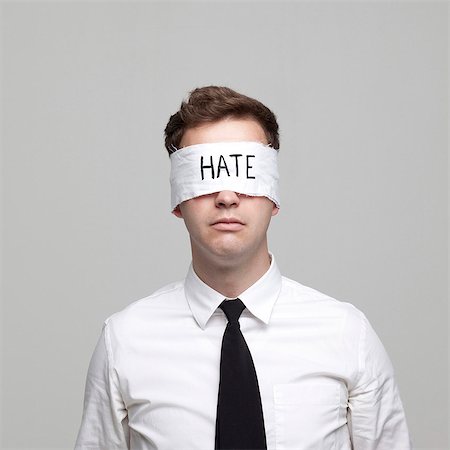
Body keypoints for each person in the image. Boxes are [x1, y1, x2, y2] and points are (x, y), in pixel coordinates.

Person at [75, 86, 412, 449]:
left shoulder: (347, 336)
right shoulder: (125, 340)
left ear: (273, 197)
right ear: (178, 201)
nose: (226, 196)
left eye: (245, 174)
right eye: (204, 177)